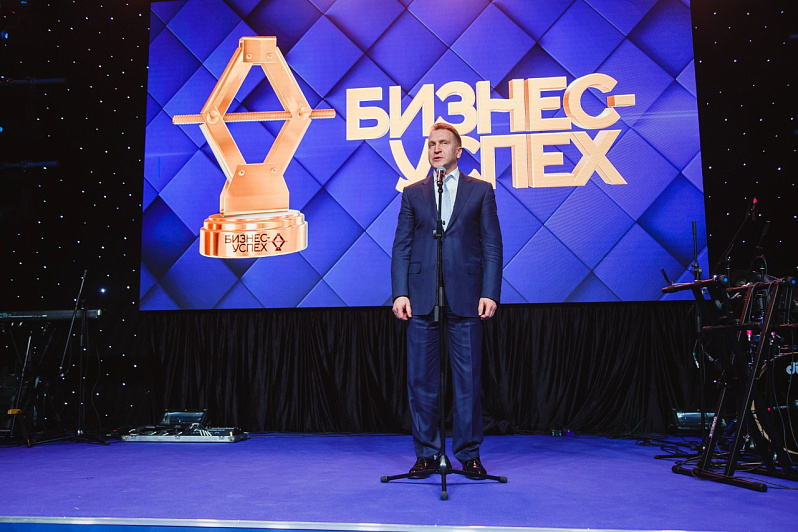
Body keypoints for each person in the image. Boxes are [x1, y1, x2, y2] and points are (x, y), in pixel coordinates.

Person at [391, 122, 503, 479]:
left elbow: (492, 245)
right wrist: (400, 291)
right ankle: (427, 454)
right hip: (422, 298)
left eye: (443, 143)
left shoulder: (480, 191)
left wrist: (490, 291)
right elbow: (402, 246)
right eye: (431, 144)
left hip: (467, 298)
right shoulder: (413, 193)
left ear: (458, 151)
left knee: (467, 381)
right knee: (421, 381)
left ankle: (469, 455)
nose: (436, 149)